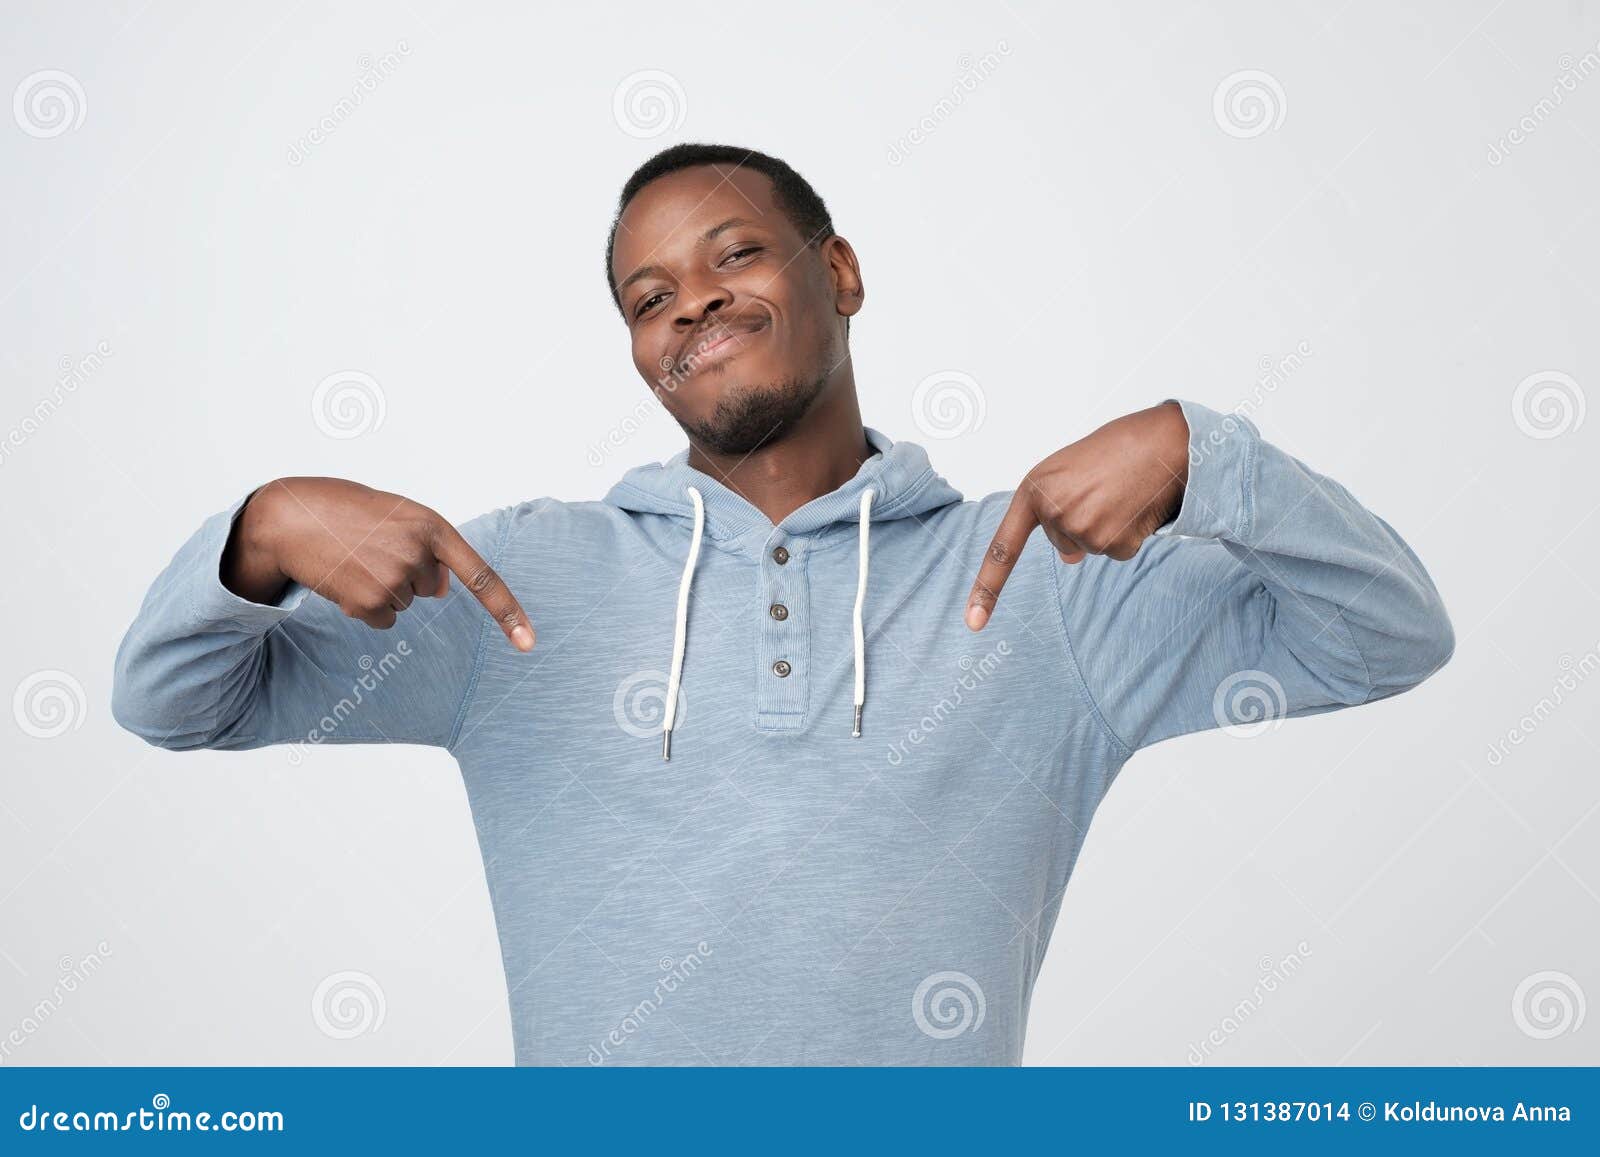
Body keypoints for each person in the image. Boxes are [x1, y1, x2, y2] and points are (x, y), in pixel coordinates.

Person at [112, 142, 1454, 1065]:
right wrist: (263, 526)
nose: (691, 298)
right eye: (648, 296)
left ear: (841, 273)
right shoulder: (517, 581)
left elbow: (1387, 634)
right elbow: (176, 705)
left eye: (733, 253)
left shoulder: (1043, 577)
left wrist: (1202, 451)